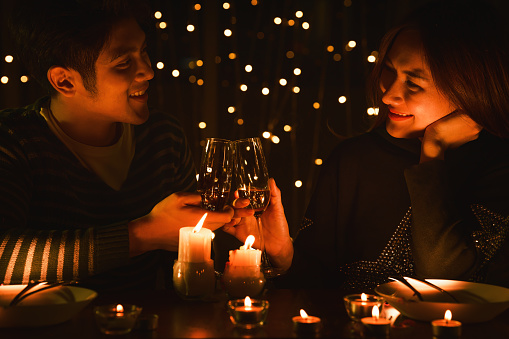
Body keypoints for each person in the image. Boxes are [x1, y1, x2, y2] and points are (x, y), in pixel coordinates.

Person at [226, 0, 509, 290]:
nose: (388, 96)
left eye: (414, 83)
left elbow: (445, 284)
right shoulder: (353, 160)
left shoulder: (497, 169)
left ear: (469, 88)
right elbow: (313, 289)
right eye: (388, 70)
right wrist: (285, 256)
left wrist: (432, 155)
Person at [0, 0, 251, 292]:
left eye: (143, 51)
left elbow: (187, 276)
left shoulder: (162, 137)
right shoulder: (13, 140)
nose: (148, 71)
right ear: (65, 81)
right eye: (123, 63)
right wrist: (143, 234)